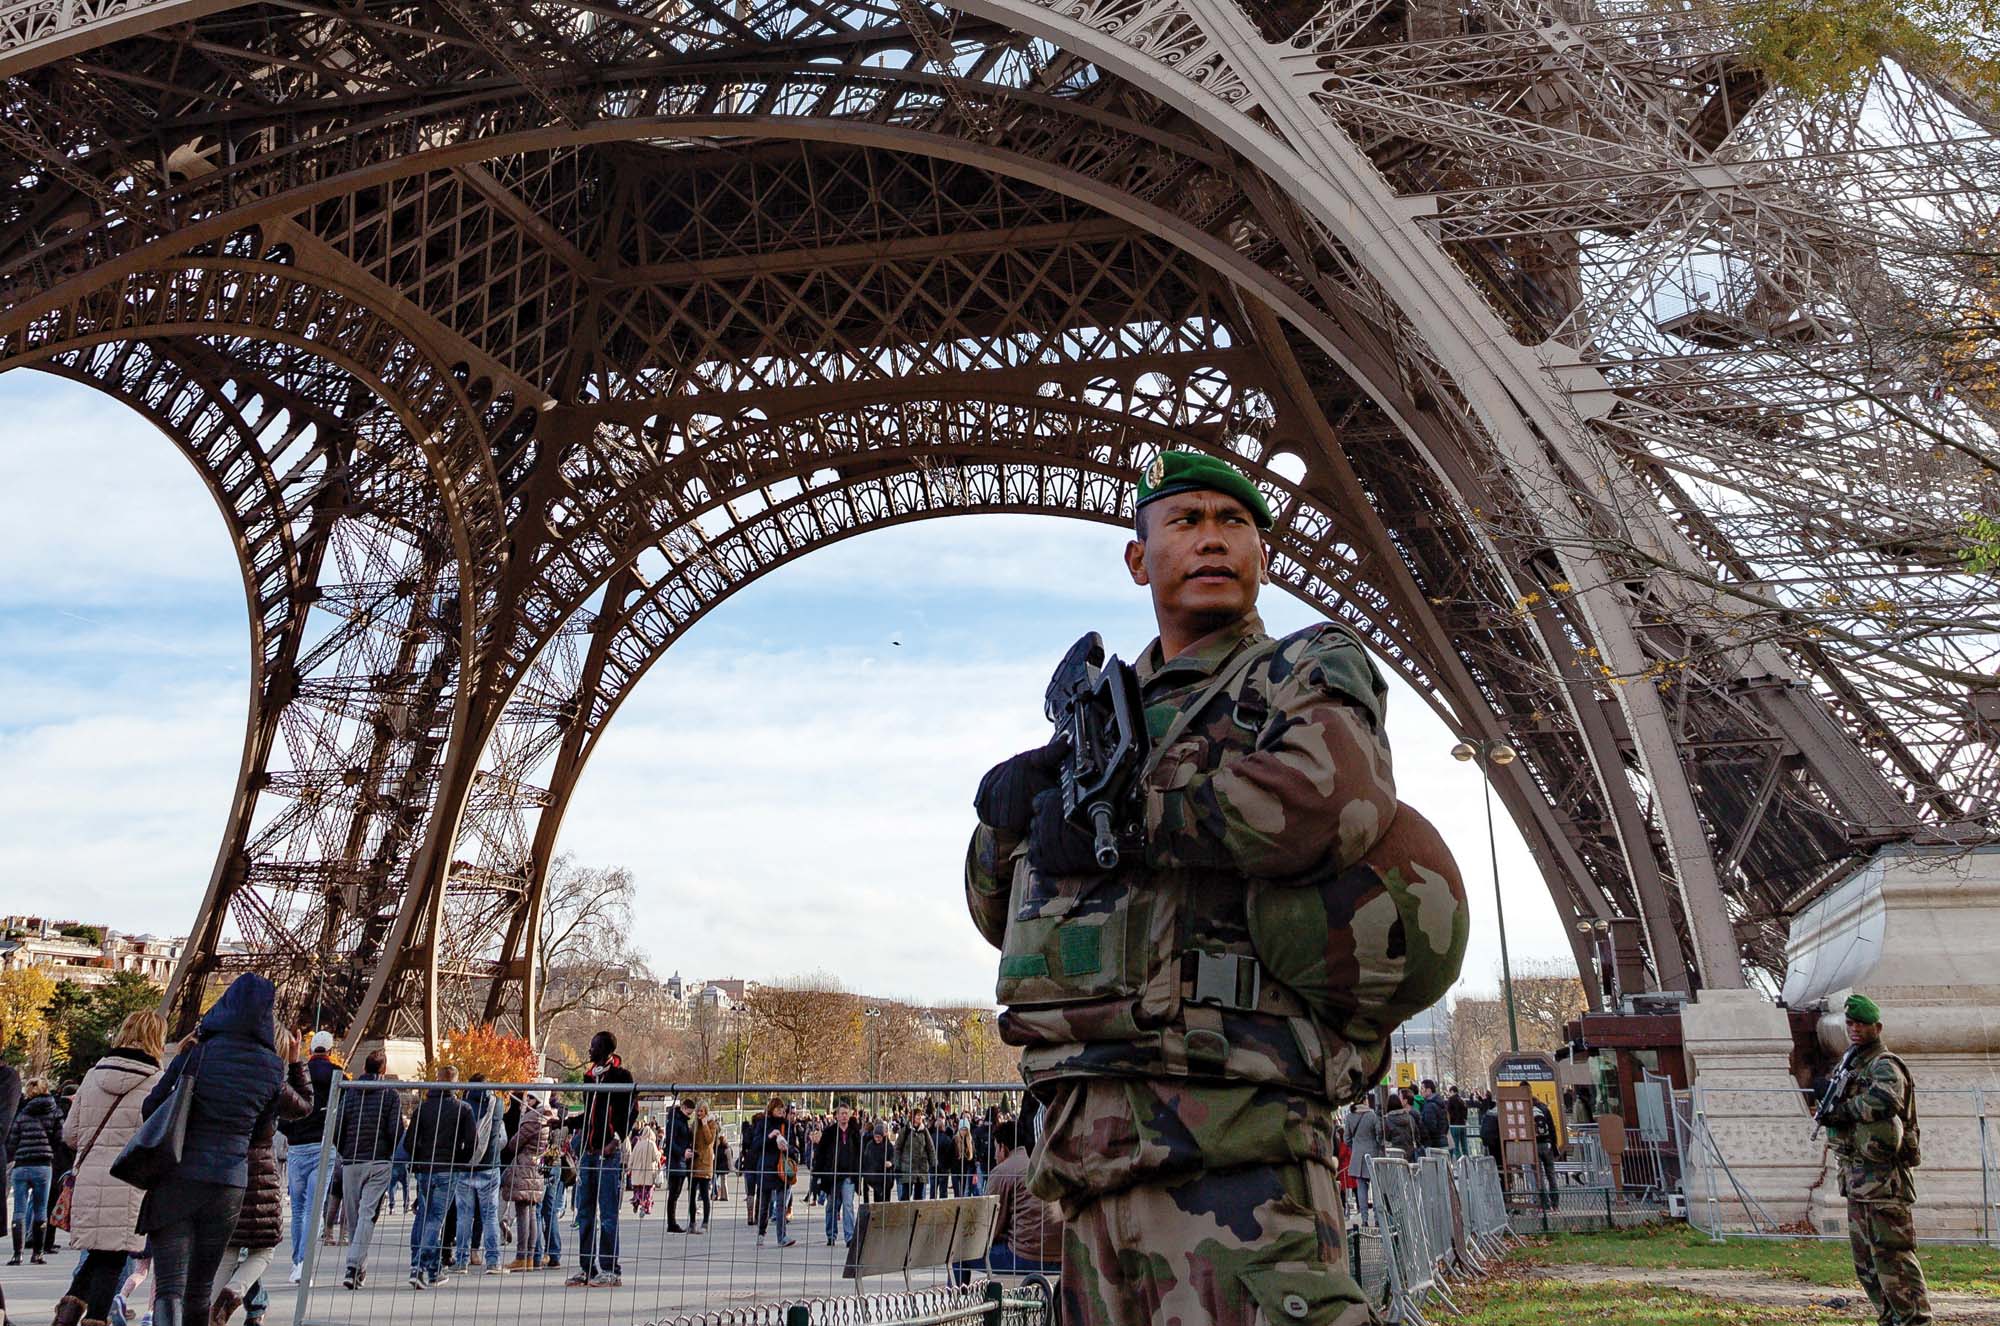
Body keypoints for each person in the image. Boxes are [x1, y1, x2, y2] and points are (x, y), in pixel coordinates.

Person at [964, 451, 1468, 1326]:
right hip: (1086, 1153)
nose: (1211, 540)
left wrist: (1131, 822)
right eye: (1185, 521)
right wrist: (1007, 824)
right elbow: (1004, 919)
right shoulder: (1099, 725)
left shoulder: (1300, 671)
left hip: (1235, 1137)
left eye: (1232, 522)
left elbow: (1328, 800)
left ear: (1264, 554)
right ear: (1137, 559)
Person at [138, 974, 286, 1326]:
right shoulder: (271, 1066)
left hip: (179, 1175)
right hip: (229, 1183)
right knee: (201, 1288)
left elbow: (152, 1107)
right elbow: (263, 1133)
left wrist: (180, 1058)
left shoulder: (200, 1052)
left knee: (171, 1287)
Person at [1819, 993, 1931, 1326]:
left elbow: (1885, 1101)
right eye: (1850, 1023)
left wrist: (1843, 1111)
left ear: (1876, 1027)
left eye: (1862, 1024)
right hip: (1858, 1180)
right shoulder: (1852, 1062)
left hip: (1884, 1181)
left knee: (1893, 1257)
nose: (1855, 1029)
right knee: (1866, 1262)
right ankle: (1890, 1318)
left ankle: (1914, 1320)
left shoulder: (1885, 1064)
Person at [52, 1010, 167, 1326]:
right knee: (111, 1260)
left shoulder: (92, 1075)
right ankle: (92, 1319)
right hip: (130, 1182)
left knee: (98, 1255)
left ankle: (66, 1316)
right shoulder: (156, 1082)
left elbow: (71, 1135)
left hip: (90, 1178)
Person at [211, 1032, 313, 1326]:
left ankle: (210, 1308)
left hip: (226, 1167)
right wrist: (295, 1062)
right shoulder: (270, 1079)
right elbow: (305, 1105)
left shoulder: (224, 1074)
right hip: (260, 1173)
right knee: (263, 1249)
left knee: (229, 1246)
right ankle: (232, 1295)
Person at [564, 1030, 635, 1288]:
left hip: (608, 1155)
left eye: (593, 1047)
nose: (589, 1051)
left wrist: (616, 1139)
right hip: (589, 1153)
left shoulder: (621, 1077)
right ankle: (586, 1267)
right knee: (584, 1213)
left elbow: (630, 1113)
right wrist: (569, 1122)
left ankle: (610, 1268)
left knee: (607, 1213)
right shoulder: (589, 1077)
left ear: (606, 1050)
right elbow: (589, 1116)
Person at [952, 1121, 1061, 1282]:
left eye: (996, 1148)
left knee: (959, 1254)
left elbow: (989, 1227)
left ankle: (959, 1301)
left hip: (1026, 1257)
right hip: (1058, 1257)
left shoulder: (1003, 1171)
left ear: (1003, 1147)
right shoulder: (1039, 1165)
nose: (995, 1155)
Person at [332, 1050, 402, 1290]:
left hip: (352, 1161)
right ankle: (355, 1266)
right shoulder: (391, 1095)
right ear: (383, 1070)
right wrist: (388, 1153)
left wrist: (344, 1150)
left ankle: (355, 1267)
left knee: (354, 1216)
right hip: (378, 1161)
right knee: (366, 1214)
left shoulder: (350, 1093)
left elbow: (338, 1126)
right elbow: (395, 1131)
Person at [278, 1032, 340, 1285]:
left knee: (299, 1209)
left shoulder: (297, 1074)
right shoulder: (338, 1076)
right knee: (315, 1208)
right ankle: (304, 1263)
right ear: (330, 1049)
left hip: (298, 1147)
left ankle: (297, 1261)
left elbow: (282, 1110)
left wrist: (293, 1132)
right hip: (324, 1145)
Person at [402, 1064, 472, 1289]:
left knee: (424, 1216)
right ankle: (421, 1267)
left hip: (425, 1168)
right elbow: (471, 1142)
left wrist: (418, 1159)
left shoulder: (423, 1108)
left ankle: (431, 1269)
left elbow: (409, 1140)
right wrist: (459, 1160)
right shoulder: (463, 1109)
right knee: (435, 1220)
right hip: (446, 1168)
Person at [453, 1075, 507, 1274]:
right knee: (490, 1215)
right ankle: (492, 1261)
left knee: (464, 1216)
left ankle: (461, 1261)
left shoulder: (462, 1106)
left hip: (465, 1166)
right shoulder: (498, 1104)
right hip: (490, 1166)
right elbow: (502, 1139)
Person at [8, 1077, 61, 1266]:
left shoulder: (22, 1113)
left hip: (22, 1164)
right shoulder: (54, 1111)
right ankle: (38, 1253)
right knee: (40, 1209)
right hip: (43, 1165)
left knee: (19, 1210)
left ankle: (17, 1254)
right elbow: (59, 1137)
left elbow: (12, 1140)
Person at [501, 1092, 549, 1272]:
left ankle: (522, 1256)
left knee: (523, 1212)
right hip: (536, 1167)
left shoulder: (532, 1119)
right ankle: (530, 1255)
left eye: (529, 1098)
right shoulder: (545, 1118)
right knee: (532, 1212)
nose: (526, 1102)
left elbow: (515, 1143)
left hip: (525, 1167)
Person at [750, 1098, 795, 1247]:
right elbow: (755, 1145)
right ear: (771, 1110)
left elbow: (795, 1149)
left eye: (783, 1110)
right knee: (764, 1205)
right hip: (766, 1168)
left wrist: (787, 1148)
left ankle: (782, 1236)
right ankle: (761, 1233)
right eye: (778, 1109)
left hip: (782, 1170)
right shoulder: (763, 1124)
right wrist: (769, 1137)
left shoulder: (787, 1126)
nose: (781, 1112)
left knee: (781, 1205)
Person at [819, 1104, 863, 1247]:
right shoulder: (830, 1132)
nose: (844, 1116)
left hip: (848, 1175)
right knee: (831, 1205)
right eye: (841, 1113)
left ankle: (849, 1237)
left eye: (846, 1113)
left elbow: (860, 1153)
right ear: (836, 1116)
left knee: (848, 1206)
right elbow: (822, 1153)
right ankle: (831, 1235)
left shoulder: (854, 1133)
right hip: (833, 1176)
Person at [1343, 1097, 1382, 1222]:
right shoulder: (1372, 1115)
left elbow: (1346, 1138)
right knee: (1375, 1187)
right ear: (1365, 1101)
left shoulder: (1350, 1117)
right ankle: (1377, 1217)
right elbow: (1379, 1133)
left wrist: (1354, 1147)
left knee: (1361, 1187)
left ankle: (1364, 1218)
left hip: (1357, 1155)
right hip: (1372, 1153)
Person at [660, 1099, 696, 1230]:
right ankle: (671, 1223)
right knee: (674, 1193)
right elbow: (671, 1141)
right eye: (688, 1112)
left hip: (680, 1161)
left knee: (676, 1193)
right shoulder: (676, 1121)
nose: (689, 1115)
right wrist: (682, 1152)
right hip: (676, 1162)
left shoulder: (681, 1121)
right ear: (683, 1108)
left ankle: (672, 1222)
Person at [892, 1108, 934, 1202]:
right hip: (908, 1168)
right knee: (905, 1196)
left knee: (919, 1198)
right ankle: (904, 1215)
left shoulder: (924, 1131)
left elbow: (930, 1147)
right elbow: (897, 1148)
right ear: (913, 1117)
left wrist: (933, 1162)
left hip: (921, 1168)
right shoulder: (905, 1131)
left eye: (920, 1115)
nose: (919, 1117)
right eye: (917, 1115)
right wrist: (897, 1164)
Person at [688, 1101, 717, 1233]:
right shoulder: (694, 1125)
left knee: (705, 1194)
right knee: (692, 1194)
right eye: (698, 1111)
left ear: (706, 1112)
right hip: (694, 1162)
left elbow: (709, 1140)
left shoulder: (711, 1124)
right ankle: (692, 1222)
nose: (699, 1114)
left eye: (702, 1111)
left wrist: (705, 1124)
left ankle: (705, 1222)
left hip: (705, 1163)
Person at [624, 1122, 659, 1218]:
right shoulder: (651, 1144)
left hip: (637, 1173)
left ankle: (636, 1201)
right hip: (648, 1172)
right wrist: (660, 1154)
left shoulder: (638, 1144)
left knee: (638, 1190)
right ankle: (644, 1206)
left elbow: (632, 1157)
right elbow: (656, 1157)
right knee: (647, 1191)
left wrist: (629, 1168)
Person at [861, 1121, 892, 1205]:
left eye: (879, 1137)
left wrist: (891, 1163)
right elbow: (866, 1160)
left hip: (886, 1178)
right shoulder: (870, 1145)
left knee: (886, 1202)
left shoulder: (888, 1145)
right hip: (875, 1178)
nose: (877, 1139)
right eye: (876, 1137)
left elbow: (893, 1157)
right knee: (877, 1201)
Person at [1382, 1090, 1420, 1157]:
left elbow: (1387, 1137)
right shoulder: (1410, 1117)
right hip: (1410, 1153)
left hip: (1395, 1154)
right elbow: (1416, 1134)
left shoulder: (1387, 1120)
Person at [1446, 1085, 1469, 1157]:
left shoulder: (1451, 1099)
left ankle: (1460, 1162)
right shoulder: (1462, 1100)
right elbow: (1466, 1112)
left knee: (1456, 1146)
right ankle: (1467, 1161)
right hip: (1462, 1124)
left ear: (1452, 1091)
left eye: (1449, 1092)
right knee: (1464, 1145)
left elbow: (1448, 1112)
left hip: (1454, 1125)